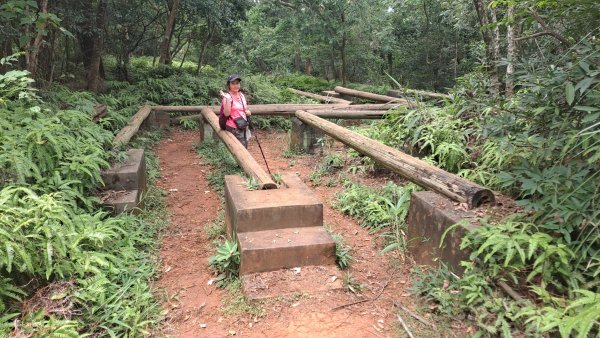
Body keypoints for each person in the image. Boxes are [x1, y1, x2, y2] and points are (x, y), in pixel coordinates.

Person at [221, 74, 252, 148]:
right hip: (233, 127)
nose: (236, 85)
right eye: (233, 83)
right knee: (238, 149)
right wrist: (228, 99)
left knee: (244, 147)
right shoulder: (227, 97)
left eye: (237, 83)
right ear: (229, 85)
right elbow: (226, 114)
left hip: (243, 125)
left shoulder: (241, 95)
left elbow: (244, 109)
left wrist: (248, 112)